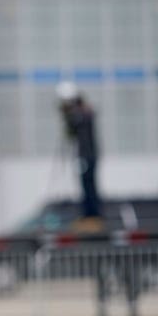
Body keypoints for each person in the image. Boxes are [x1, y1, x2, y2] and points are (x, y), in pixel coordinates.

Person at [56, 81, 102, 232]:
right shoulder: (83, 111)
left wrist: (67, 114)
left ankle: (92, 216)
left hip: (86, 155)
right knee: (86, 185)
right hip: (86, 154)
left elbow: (72, 127)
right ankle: (89, 215)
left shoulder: (81, 113)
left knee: (88, 185)